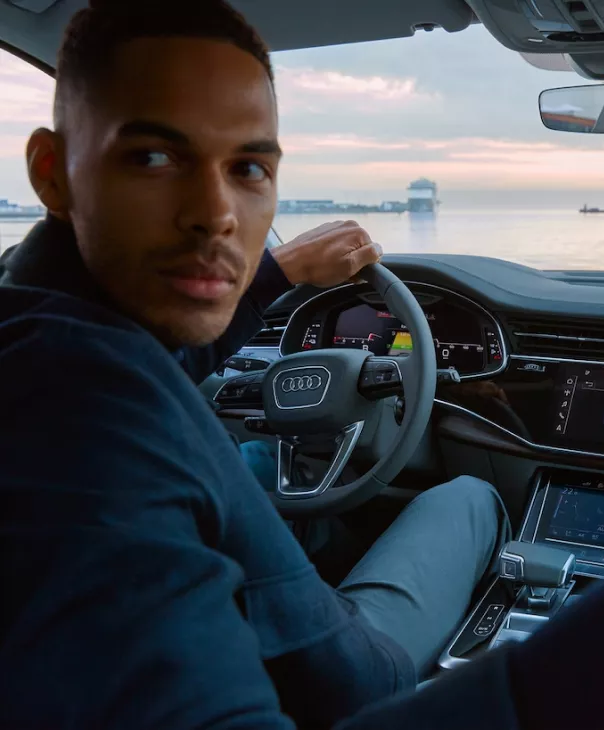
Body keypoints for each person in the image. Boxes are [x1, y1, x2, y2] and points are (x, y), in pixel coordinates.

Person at [0, 1, 506, 728]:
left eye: (247, 166)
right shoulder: (89, 435)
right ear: (52, 173)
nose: (216, 213)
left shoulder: (50, 325)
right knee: (465, 499)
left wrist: (280, 272)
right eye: (153, 157)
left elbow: (159, 351)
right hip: (357, 680)